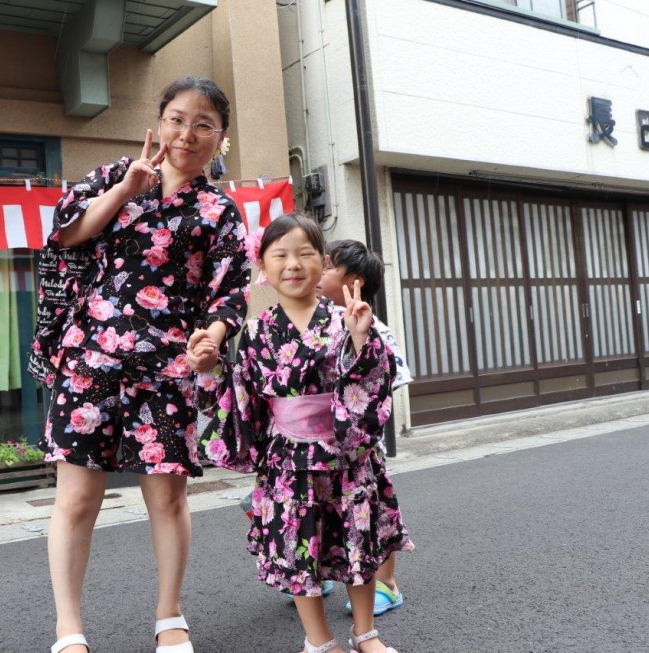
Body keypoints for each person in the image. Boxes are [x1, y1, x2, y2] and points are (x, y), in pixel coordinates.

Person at [30, 76, 250, 653]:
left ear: (220, 137)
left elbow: (232, 291)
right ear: (159, 120)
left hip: (168, 366)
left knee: (168, 497)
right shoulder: (112, 175)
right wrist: (125, 191)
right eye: (178, 118)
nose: (187, 133)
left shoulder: (219, 209)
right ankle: (68, 627)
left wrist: (213, 336)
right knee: (76, 498)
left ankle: (169, 614)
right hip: (89, 359)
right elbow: (65, 237)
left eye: (204, 124)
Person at [196, 214, 413, 653]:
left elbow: (377, 379)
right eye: (280, 255)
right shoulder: (255, 332)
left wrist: (359, 339)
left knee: (357, 544)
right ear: (263, 266)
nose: (292, 264)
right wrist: (210, 367)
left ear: (322, 264)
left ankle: (366, 634)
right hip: (287, 461)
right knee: (300, 552)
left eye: (305, 254)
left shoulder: (347, 318)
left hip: (346, 456)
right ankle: (319, 641)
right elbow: (240, 396)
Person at [319, 239, 414, 618]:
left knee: (374, 511)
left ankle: (387, 583)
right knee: (320, 509)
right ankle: (323, 570)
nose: (316, 273)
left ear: (353, 281)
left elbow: (388, 380)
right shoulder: (312, 320)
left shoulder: (370, 326)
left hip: (360, 441)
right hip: (318, 441)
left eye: (326, 267)